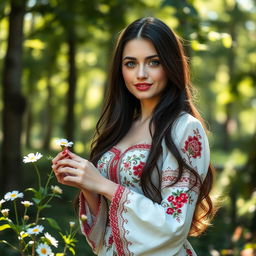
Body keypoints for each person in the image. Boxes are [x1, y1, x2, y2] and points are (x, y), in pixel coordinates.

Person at [52, 16, 216, 256]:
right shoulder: (119, 127)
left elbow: (174, 225)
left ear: (170, 65)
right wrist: (85, 183)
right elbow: (104, 233)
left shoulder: (184, 129)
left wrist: (103, 184)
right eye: (130, 63)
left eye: (153, 62)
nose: (140, 74)